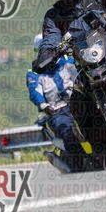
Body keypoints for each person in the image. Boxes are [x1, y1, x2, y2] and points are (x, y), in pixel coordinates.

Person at [26, 35, 83, 172]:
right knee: (67, 132)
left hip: (78, 103)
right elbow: (35, 92)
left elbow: (80, 76)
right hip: (57, 111)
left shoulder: (68, 61)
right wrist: (44, 105)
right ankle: (77, 165)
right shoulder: (34, 73)